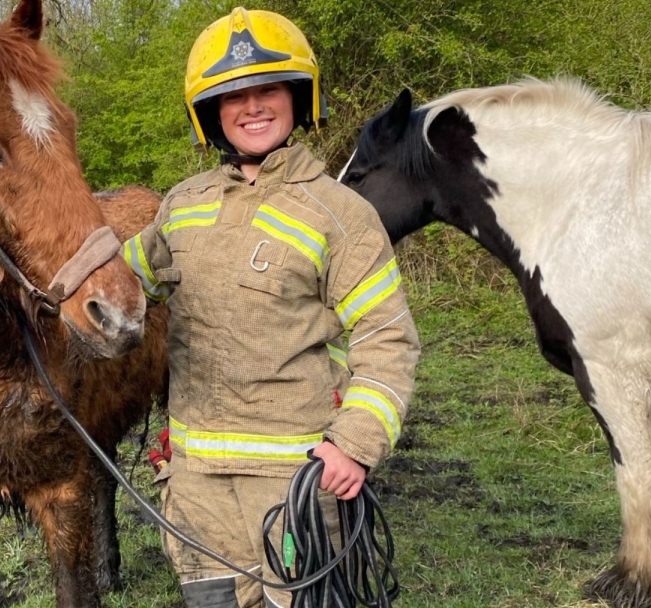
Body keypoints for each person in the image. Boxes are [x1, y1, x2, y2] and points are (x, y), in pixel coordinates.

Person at [123, 7, 420, 608]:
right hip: (195, 486)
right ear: (210, 113)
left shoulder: (339, 215)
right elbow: (119, 284)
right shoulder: (181, 205)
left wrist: (355, 444)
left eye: (268, 90)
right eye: (234, 96)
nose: (252, 107)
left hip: (295, 490)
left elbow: (388, 339)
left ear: (298, 98)